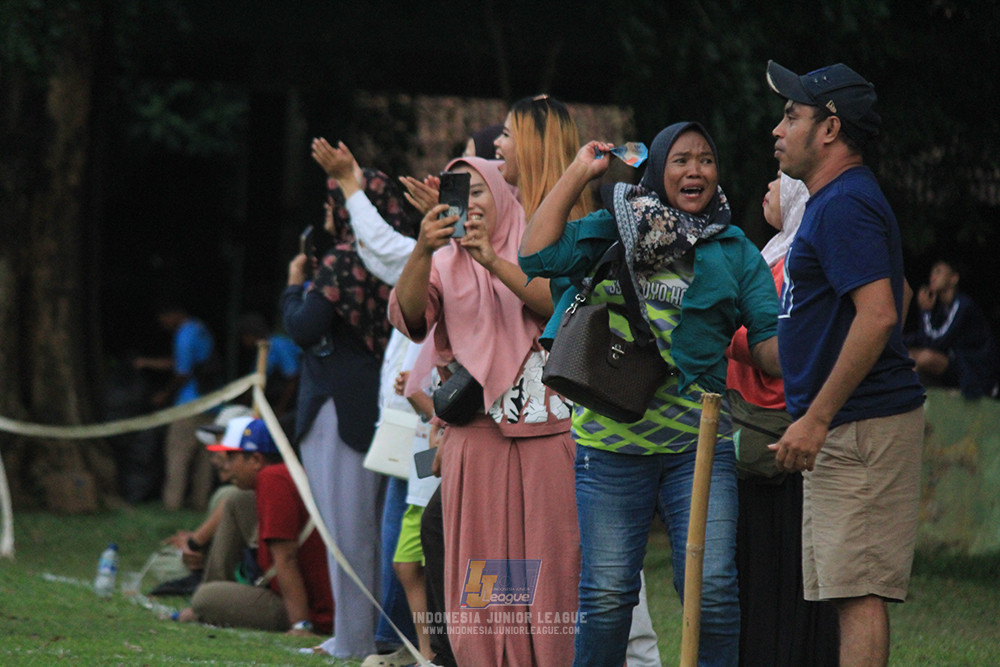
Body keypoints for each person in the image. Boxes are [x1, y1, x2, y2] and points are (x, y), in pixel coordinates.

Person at [519, 121, 781, 667]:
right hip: (610, 447)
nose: (695, 170)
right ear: (659, 168)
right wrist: (577, 172)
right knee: (610, 596)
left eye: (706, 159)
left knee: (712, 590)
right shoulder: (613, 226)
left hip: (698, 449)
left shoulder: (734, 250)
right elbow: (536, 257)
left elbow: (767, 344)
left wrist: (820, 349)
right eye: (681, 159)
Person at [389, 156, 581, 666]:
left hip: (545, 433)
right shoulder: (442, 261)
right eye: (460, 192)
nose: (470, 202)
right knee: (483, 578)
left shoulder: (535, 242)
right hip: (474, 438)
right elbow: (410, 317)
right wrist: (424, 249)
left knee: (547, 570)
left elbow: (554, 304)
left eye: (479, 191)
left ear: (500, 192)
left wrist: (491, 260)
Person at [765, 60, 926, 667]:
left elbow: (882, 313)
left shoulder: (844, 205)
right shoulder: (841, 202)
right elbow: (900, 294)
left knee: (858, 595)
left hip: (859, 426)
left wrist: (817, 416)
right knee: (847, 590)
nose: (778, 129)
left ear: (829, 129)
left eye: (792, 115)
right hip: (852, 425)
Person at [282, 158, 416, 662]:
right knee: (379, 527)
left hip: (339, 408)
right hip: (384, 402)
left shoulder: (342, 258)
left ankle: (354, 640)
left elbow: (304, 326)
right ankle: (369, 636)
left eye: (331, 201)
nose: (326, 211)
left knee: (348, 531)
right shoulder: (408, 257)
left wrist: (295, 283)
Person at [726, 172, 840, 665]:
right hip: (759, 433)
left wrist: (718, 331)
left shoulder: (797, 259)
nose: (767, 188)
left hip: (780, 437)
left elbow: (788, 343)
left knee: (781, 575)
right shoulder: (778, 249)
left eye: (778, 180)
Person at [176, 418, 333, 636]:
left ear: (256, 459)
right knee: (236, 500)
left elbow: (286, 558)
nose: (226, 465)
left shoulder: (272, 479)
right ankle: (214, 592)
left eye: (232, 457)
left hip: (312, 610)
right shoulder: (280, 475)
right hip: (304, 596)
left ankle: (212, 601)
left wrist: (301, 624)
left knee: (205, 597)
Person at [151, 405, 253, 597]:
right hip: (219, 560)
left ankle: (209, 580)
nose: (216, 455)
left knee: (229, 495)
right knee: (163, 561)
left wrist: (195, 543)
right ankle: (203, 573)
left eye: (223, 442)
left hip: (243, 568)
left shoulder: (242, 491)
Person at [133, 302, 219, 512]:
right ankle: (200, 502)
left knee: (178, 455)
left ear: (174, 313)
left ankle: (172, 503)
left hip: (189, 404)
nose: (163, 325)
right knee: (205, 457)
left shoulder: (184, 334)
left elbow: (182, 372)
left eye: (164, 319)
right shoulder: (201, 330)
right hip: (212, 403)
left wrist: (165, 394)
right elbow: (183, 362)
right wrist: (148, 363)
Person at [905, 258, 999, 399]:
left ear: (954, 279)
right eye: (932, 273)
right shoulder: (942, 309)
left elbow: (937, 343)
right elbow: (923, 338)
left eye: (939, 272)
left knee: (925, 357)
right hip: (956, 364)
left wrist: (925, 311)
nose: (933, 277)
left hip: (974, 368)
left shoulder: (963, 306)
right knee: (906, 355)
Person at [236, 312, 302, 420]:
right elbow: (253, 383)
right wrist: (239, 407)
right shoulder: (261, 352)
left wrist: (280, 409)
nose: (243, 342)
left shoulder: (278, 344)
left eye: (244, 337)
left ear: (251, 334)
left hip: (293, 403)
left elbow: (292, 379)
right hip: (276, 403)